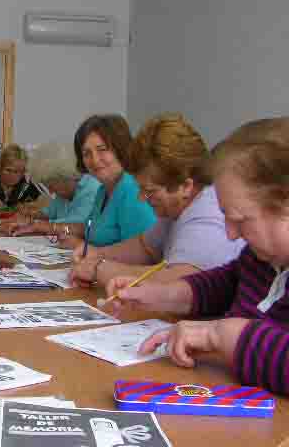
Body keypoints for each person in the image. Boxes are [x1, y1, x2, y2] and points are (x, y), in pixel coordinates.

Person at [105, 117, 289, 395]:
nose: (230, 234)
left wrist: (221, 335)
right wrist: (163, 294)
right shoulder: (262, 257)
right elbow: (227, 283)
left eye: (240, 220)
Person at [69, 113, 245, 287]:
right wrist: (97, 254)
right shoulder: (177, 206)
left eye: (149, 191)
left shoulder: (207, 217)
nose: (141, 198)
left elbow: (179, 283)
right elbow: (145, 247)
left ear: (186, 186)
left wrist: (99, 269)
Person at [55, 114, 156, 247]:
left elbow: (143, 254)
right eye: (86, 153)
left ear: (120, 148)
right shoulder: (103, 190)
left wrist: (81, 246)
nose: (95, 160)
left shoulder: (132, 189)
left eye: (102, 150)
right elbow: (88, 230)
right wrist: (52, 229)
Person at [3, 142, 100, 235]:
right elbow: (49, 213)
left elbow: (76, 225)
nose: (50, 191)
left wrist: (35, 225)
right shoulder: (64, 193)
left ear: (65, 177)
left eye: (51, 186)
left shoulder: (93, 188)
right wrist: (29, 215)